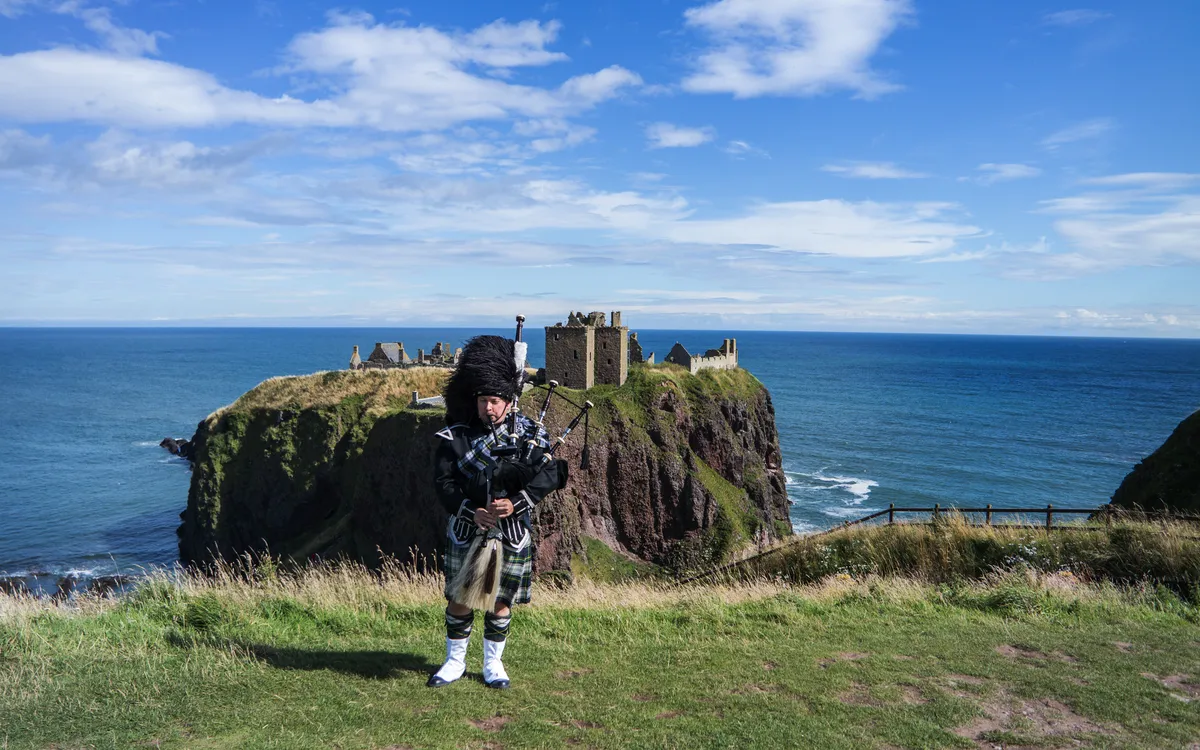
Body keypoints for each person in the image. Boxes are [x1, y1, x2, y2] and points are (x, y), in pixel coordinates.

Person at [428, 335, 561, 689]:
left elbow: (552, 475)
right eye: (484, 400)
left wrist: (517, 502)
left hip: (511, 531)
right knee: (459, 597)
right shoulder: (454, 437)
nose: (489, 407)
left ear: (509, 401)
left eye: (496, 400)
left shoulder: (531, 434)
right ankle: (454, 663)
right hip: (467, 528)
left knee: (501, 600)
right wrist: (469, 510)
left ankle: (493, 666)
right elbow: (443, 483)